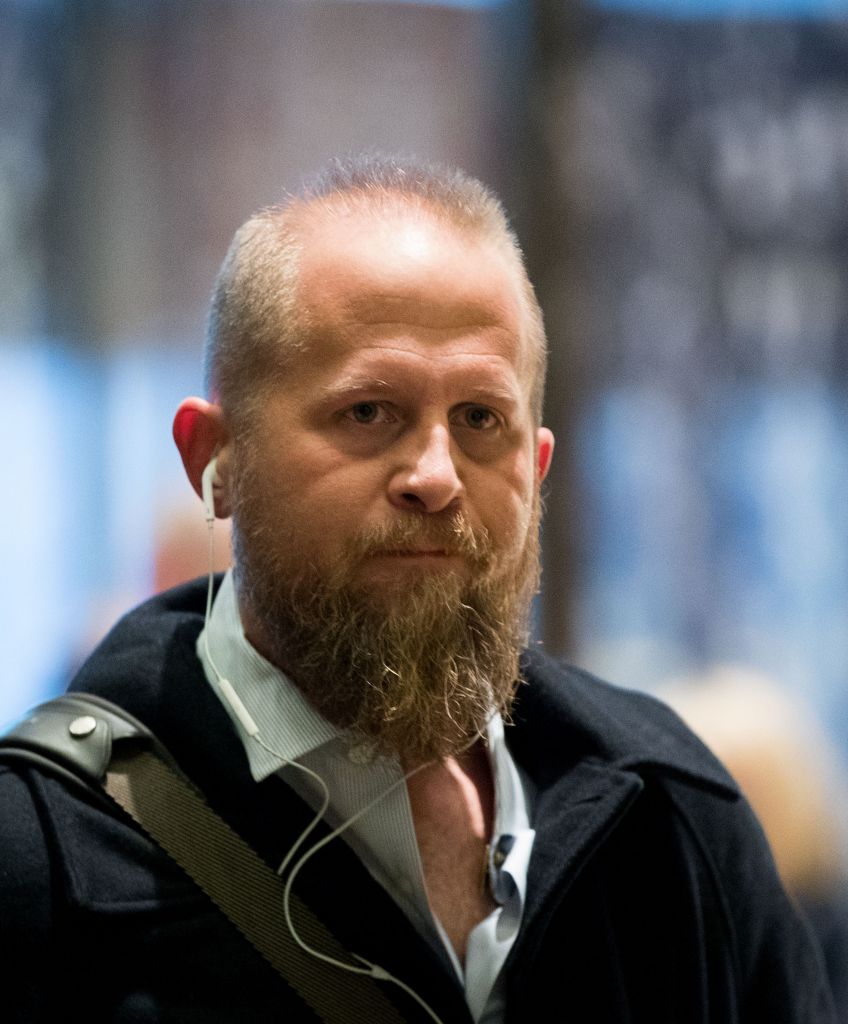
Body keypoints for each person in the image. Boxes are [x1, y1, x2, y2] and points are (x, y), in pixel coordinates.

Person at [0, 155, 835, 1023]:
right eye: (368, 412)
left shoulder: (671, 820)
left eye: (481, 420)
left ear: (536, 469)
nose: (435, 475)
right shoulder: (44, 862)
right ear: (214, 458)